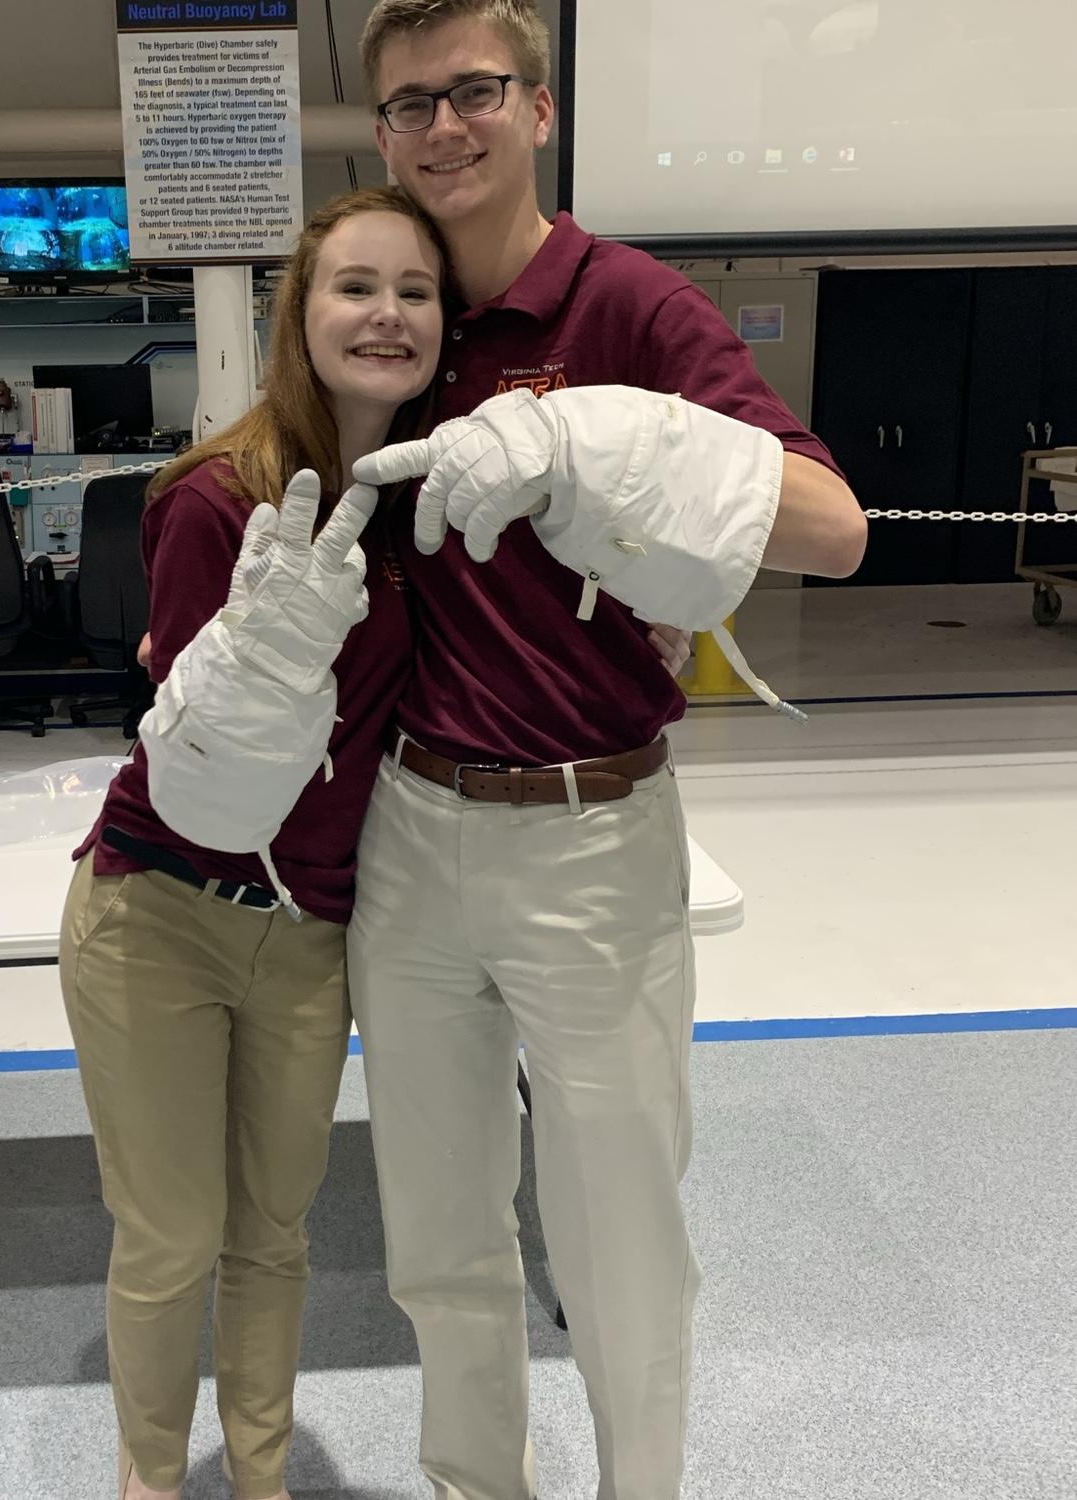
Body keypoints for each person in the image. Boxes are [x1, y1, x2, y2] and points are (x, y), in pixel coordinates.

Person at [139, 4, 868, 1497]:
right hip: (413, 835)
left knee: (616, 1244)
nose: (444, 126)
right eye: (410, 104)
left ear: (540, 110)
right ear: (382, 137)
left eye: (475, 91)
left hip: (591, 838)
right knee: (440, 1239)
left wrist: (597, 447)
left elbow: (832, 531)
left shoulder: (629, 307)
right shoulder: (397, 311)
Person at [58, 185, 447, 1500]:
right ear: (301, 309)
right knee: (170, 1236)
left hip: (312, 929)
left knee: (273, 1236)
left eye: (416, 290)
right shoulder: (218, 499)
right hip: (160, 910)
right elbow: (187, 769)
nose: (386, 315)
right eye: (356, 286)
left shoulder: (430, 509)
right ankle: (152, 1483)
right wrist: (250, 675)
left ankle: (262, 1480)